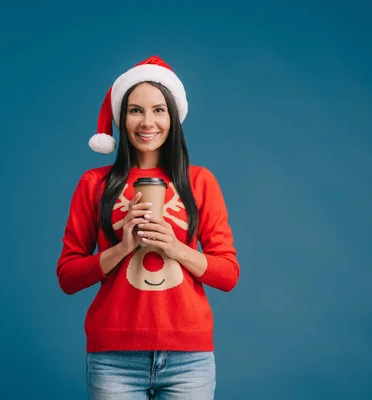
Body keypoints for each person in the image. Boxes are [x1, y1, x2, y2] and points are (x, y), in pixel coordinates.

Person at [57, 55, 240, 399]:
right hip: (113, 359)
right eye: (135, 110)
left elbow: (228, 274)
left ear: (173, 116)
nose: (147, 122)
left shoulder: (200, 182)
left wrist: (175, 248)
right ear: (121, 118)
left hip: (189, 359)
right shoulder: (94, 184)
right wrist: (121, 248)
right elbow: (67, 277)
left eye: (159, 110)